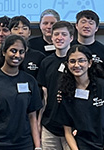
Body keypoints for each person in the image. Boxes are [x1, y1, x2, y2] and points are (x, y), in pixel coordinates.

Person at [0, 35, 42, 150]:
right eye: (13, 50)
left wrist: (37, 146)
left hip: (24, 145)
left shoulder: (30, 81)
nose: (17, 55)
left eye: (21, 52)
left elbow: (32, 116)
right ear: (3, 52)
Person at [57, 44, 104, 150]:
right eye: (72, 61)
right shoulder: (65, 92)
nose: (77, 65)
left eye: (81, 60)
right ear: (67, 64)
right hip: (81, 146)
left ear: (89, 63)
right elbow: (67, 132)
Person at [37, 21, 74, 150]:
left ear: (71, 38)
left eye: (64, 34)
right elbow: (44, 96)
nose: (59, 37)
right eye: (56, 34)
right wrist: (39, 123)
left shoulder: (77, 62)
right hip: (49, 126)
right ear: (51, 37)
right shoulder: (46, 62)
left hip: (73, 126)